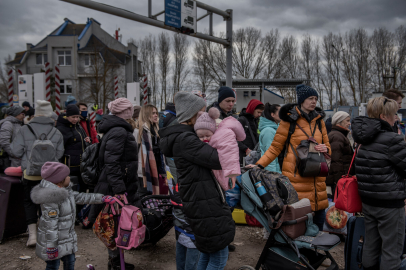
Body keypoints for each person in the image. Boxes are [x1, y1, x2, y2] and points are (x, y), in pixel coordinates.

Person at [159, 91, 235, 270]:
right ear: (191, 114)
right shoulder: (187, 139)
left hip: (200, 199)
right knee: (219, 256)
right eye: (201, 112)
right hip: (203, 202)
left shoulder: (184, 137)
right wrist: (226, 137)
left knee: (208, 252)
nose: (205, 115)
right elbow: (219, 159)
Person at [253, 85, 330, 231]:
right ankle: (301, 254)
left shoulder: (319, 121)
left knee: (318, 227)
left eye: (315, 99)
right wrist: (259, 165)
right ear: (301, 100)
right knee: (299, 229)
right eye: (310, 98)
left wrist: (325, 149)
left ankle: (314, 253)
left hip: (317, 181)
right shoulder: (289, 120)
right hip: (296, 181)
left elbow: (328, 147)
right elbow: (275, 147)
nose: (314, 102)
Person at [351, 96, 406, 270]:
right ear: (384, 116)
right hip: (389, 203)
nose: (396, 118)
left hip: (368, 201)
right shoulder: (392, 139)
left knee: (371, 245)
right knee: (391, 250)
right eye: (394, 114)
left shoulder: (363, 139)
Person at [88, 97, 138, 270]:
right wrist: (119, 189)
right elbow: (112, 163)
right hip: (114, 186)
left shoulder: (117, 129)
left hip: (115, 183)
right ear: (126, 114)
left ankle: (115, 261)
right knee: (115, 224)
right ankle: (116, 263)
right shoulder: (119, 131)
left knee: (116, 224)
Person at [31, 161, 105, 270]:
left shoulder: (65, 191)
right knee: (53, 266)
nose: (69, 178)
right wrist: (51, 247)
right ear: (59, 181)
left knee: (70, 262)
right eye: (67, 176)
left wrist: (101, 198)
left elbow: (81, 197)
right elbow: (50, 225)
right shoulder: (51, 199)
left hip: (67, 239)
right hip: (54, 243)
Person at [11, 100, 64, 247]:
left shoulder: (24, 129)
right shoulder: (56, 131)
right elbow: (60, 154)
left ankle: (33, 236)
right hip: (50, 175)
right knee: (48, 203)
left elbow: (15, 151)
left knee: (29, 202)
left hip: (30, 173)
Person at [194, 107, 245, 191]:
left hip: (222, 172)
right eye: (201, 137)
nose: (204, 138)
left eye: (207, 135)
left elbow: (229, 152)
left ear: (213, 132)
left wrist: (232, 173)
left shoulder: (221, 136)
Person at [56, 104, 90, 193]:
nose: (75, 119)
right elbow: (59, 147)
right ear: (67, 116)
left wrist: (87, 140)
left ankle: (81, 207)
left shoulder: (78, 126)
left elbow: (82, 139)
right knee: (70, 191)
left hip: (81, 165)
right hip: (69, 167)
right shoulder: (61, 129)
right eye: (73, 117)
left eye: (77, 117)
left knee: (82, 189)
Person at [134, 104, 167, 197]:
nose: (156, 115)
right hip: (143, 172)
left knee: (154, 196)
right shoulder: (138, 131)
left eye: (156, 113)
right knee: (144, 195)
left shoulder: (156, 131)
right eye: (153, 113)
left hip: (156, 169)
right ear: (146, 115)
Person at [326, 111, 354, 196]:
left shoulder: (339, 135)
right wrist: (339, 181)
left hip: (342, 179)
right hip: (341, 180)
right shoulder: (337, 136)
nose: (349, 123)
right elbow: (336, 161)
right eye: (347, 121)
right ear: (339, 121)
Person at [238, 99, 264, 165]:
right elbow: (235, 139)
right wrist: (246, 149)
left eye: (261, 113)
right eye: (258, 112)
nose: (259, 114)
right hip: (243, 155)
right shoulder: (242, 120)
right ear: (252, 109)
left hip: (252, 154)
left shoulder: (255, 120)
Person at [258, 103, 281, 173]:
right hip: (274, 172)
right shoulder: (269, 131)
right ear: (272, 115)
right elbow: (270, 156)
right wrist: (272, 176)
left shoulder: (275, 129)